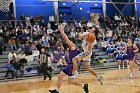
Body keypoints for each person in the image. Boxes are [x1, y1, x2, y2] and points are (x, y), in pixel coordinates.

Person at [49, 25, 89, 93]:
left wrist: (62, 31)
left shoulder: (73, 45)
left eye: (69, 41)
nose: (68, 42)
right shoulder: (72, 47)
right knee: (60, 76)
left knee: (70, 81)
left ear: (71, 41)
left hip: (73, 66)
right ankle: (57, 90)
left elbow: (65, 38)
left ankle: (83, 85)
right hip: (70, 65)